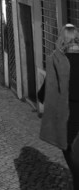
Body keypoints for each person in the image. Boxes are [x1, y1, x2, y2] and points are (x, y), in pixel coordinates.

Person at [39, 24, 79, 190]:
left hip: (67, 119)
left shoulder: (57, 61)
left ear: (62, 39)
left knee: (71, 156)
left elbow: (44, 93)